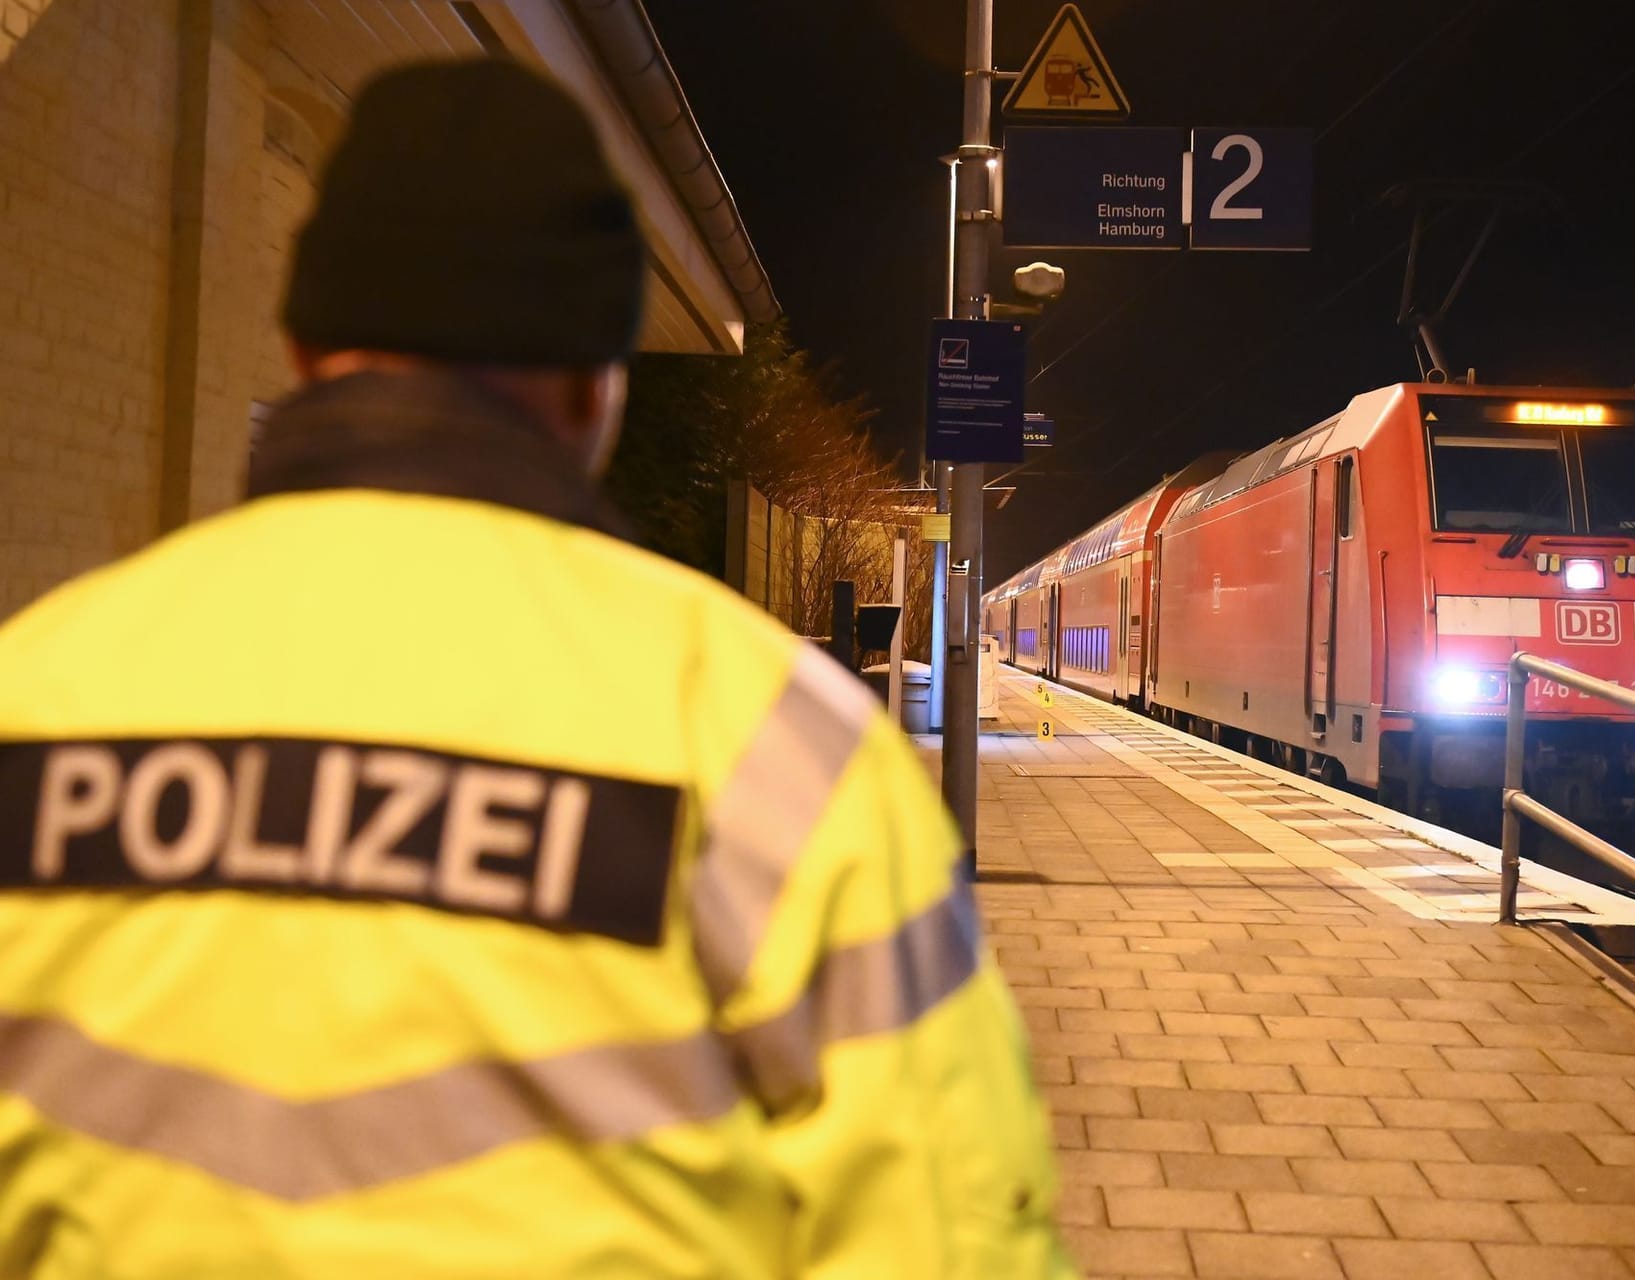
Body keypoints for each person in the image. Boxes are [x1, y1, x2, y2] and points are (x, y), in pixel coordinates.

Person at [0, 59, 1075, 1279]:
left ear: (299, 340)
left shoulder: (40, 692)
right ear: (596, 380)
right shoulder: (781, 749)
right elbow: (950, 1233)